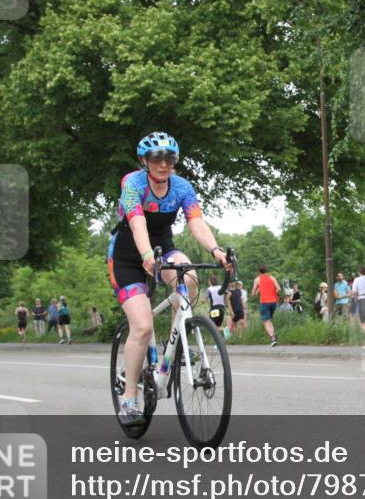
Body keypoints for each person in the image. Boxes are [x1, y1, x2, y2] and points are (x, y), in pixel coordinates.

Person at [108, 132, 230, 425]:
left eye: (170, 158)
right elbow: (137, 223)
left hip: (163, 250)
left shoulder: (182, 187)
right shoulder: (133, 183)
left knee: (187, 273)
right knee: (142, 326)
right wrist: (147, 254)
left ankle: (178, 344)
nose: (163, 164)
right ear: (145, 161)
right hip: (127, 257)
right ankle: (129, 398)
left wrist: (215, 249)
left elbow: (196, 222)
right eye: (156, 158)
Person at [251, 265, 281, 346]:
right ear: (266, 271)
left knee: (266, 322)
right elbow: (278, 288)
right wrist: (272, 292)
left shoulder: (257, 279)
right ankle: (273, 335)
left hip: (265, 302)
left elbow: (253, 293)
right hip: (274, 302)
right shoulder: (272, 278)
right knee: (269, 320)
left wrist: (258, 289)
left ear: (259, 271)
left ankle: (272, 338)